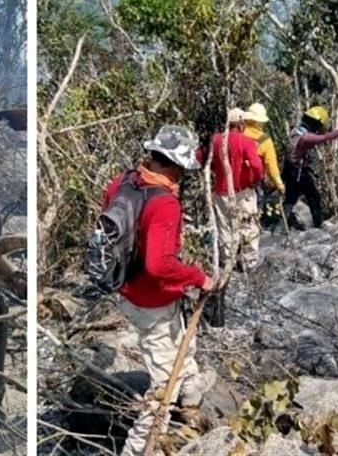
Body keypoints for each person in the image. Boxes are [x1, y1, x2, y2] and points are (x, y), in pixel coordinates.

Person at [103, 125, 214, 456]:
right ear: (175, 165)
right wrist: (197, 276)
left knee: (183, 344)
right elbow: (158, 265)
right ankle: (140, 449)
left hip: (127, 287)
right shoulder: (165, 203)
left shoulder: (122, 181)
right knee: (164, 386)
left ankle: (191, 406)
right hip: (152, 300)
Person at [200, 108, 265, 269]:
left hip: (220, 192)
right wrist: (255, 180)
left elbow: (200, 157)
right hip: (243, 191)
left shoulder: (215, 140)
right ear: (241, 123)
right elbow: (257, 165)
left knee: (224, 227)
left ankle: (227, 261)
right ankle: (248, 261)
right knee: (248, 225)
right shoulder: (247, 141)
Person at [282, 106, 338, 229]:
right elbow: (325, 138)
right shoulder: (306, 137)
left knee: (290, 198)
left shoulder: (296, 131)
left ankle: (282, 224)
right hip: (299, 173)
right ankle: (318, 224)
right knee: (314, 197)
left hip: (289, 170)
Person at [243, 103, 284, 229]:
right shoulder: (265, 140)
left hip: (234, 183)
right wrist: (279, 184)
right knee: (254, 212)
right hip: (253, 182)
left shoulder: (239, 133)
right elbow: (271, 165)